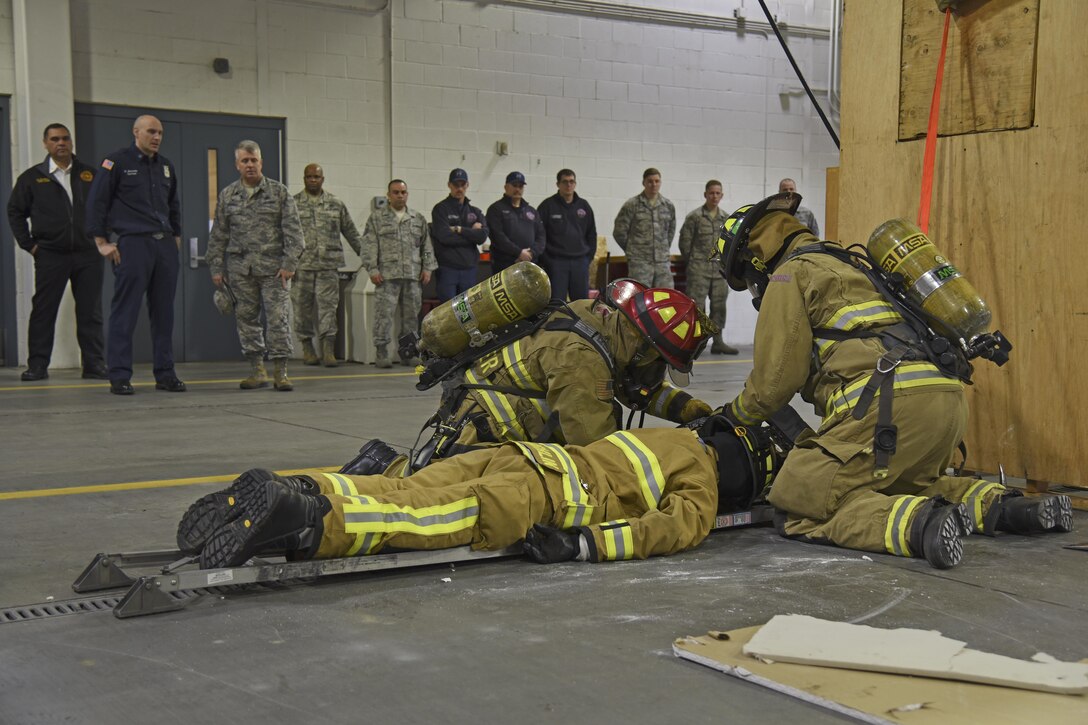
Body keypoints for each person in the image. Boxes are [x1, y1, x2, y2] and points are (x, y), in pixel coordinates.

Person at [715, 192, 1073, 570]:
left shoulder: (791, 273)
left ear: (755, 259)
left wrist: (734, 414)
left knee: (798, 498)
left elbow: (773, 383)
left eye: (749, 280)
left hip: (888, 408)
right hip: (946, 404)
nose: (755, 290)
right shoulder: (856, 265)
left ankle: (920, 525)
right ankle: (1010, 508)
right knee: (899, 485)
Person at [177, 418, 782, 570]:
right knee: (415, 515)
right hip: (541, 498)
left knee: (403, 483)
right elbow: (666, 531)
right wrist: (582, 546)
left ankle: (305, 486)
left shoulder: (668, 431)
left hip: (520, 453)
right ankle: (310, 522)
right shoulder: (701, 485)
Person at [346, 279, 717, 479]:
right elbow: (597, 451)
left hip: (478, 420)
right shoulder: (581, 362)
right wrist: (668, 455)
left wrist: (693, 411)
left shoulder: (602, 320)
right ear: (644, 345)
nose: (655, 368)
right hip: (480, 439)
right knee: (508, 495)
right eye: (658, 360)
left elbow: (635, 386)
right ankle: (385, 467)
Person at [85, 115, 184, 395]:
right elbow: (97, 202)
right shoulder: (116, 163)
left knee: (164, 313)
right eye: (151, 132)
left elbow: (173, 205)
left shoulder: (165, 167)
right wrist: (102, 242)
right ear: (136, 132)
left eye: (160, 133)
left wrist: (175, 237)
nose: (157, 137)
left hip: (163, 246)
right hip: (133, 244)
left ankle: (165, 374)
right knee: (125, 312)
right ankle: (119, 375)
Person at [7, 123, 106, 382]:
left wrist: (102, 239)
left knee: (90, 311)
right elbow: (15, 212)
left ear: (71, 142)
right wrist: (29, 245)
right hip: (51, 254)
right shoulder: (32, 178)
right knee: (44, 310)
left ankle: (94, 364)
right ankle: (38, 366)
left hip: (88, 254)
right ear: (46, 144)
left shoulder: (90, 175)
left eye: (65, 138)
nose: (60, 143)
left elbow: (104, 208)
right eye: (54, 139)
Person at [207, 140, 304, 391]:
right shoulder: (228, 195)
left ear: (261, 162)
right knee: (246, 319)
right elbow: (218, 235)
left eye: (254, 160)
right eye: (244, 161)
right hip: (240, 270)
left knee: (278, 320)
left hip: (275, 270)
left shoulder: (279, 192)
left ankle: (280, 372)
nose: (250, 165)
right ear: (237, 165)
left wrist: (289, 264)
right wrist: (216, 268)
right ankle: (257, 370)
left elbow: (295, 234)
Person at [291, 163, 363, 367]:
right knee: (302, 310)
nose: (313, 180)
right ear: (304, 179)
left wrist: (367, 258)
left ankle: (328, 350)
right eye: (309, 176)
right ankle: (307, 348)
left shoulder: (335, 204)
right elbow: (284, 234)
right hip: (301, 266)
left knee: (328, 309)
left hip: (328, 267)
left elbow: (351, 232)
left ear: (323, 179)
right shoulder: (293, 204)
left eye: (317, 177)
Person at [362, 179, 436, 369]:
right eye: (395, 192)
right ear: (388, 195)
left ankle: (408, 353)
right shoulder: (377, 218)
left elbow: (426, 247)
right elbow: (369, 245)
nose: (400, 195)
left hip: (413, 276)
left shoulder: (417, 218)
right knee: (383, 316)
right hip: (386, 277)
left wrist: (427, 268)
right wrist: (372, 269)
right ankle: (382, 353)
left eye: (403, 192)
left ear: (407, 194)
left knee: (411, 317)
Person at [679, 180, 738, 356]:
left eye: (718, 193)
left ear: (722, 195)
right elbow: (685, 244)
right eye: (711, 193)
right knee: (697, 308)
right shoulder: (695, 217)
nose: (714, 196)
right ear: (705, 194)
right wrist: (693, 262)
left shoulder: (727, 220)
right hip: (699, 269)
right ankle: (695, 343)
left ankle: (718, 342)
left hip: (719, 270)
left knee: (719, 307)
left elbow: (730, 244)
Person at [537, 169, 597, 301]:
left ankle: (580, 323)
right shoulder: (547, 206)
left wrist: (588, 258)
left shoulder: (584, 206)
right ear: (558, 184)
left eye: (571, 181)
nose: (568, 185)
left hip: (580, 262)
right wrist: (547, 260)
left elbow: (592, 234)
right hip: (556, 263)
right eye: (565, 182)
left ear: (575, 184)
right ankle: (557, 323)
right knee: (556, 303)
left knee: (581, 303)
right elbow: (539, 234)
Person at [430, 168, 488, 301]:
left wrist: (460, 229)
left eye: (463, 185)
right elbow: (444, 237)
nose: (459, 188)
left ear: (467, 185)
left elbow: (482, 237)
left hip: (469, 269)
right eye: (456, 185)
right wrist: (471, 234)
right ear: (449, 185)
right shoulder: (440, 209)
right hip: (447, 269)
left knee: (467, 312)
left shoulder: (475, 211)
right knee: (448, 311)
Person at [613, 168, 676, 287]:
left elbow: (670, 231)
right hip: (640, 263)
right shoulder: (632, 205)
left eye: (657, 181)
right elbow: (619, 232)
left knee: (664, 298)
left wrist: (663, 248)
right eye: (650, 181)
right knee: (640, 298)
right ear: (644, 183)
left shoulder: (668, 205)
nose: (654, 184)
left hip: (662, 263)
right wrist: (633, 251)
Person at [485, 171, 545, 274]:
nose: (517, 189)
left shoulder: (531, 211)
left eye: (520, 186)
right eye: (514, 185)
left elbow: (541, 236)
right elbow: (498, 237)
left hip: (529, 263)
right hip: (505, 265)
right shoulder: (496, 209)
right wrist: (519, 253)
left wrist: (531, 253)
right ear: (506, 187)